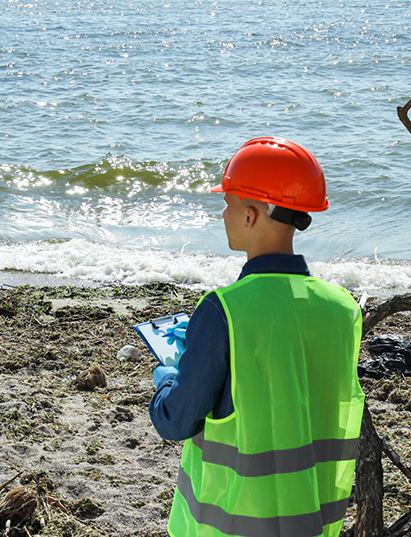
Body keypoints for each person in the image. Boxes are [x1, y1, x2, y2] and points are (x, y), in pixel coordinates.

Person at [149, 137, 365, 537]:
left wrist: (167, 375)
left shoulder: (223, 310)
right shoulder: (343, 310)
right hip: (313, 524)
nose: (223, 215)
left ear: (250, 215)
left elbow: (176, 419)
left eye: (227, 204)